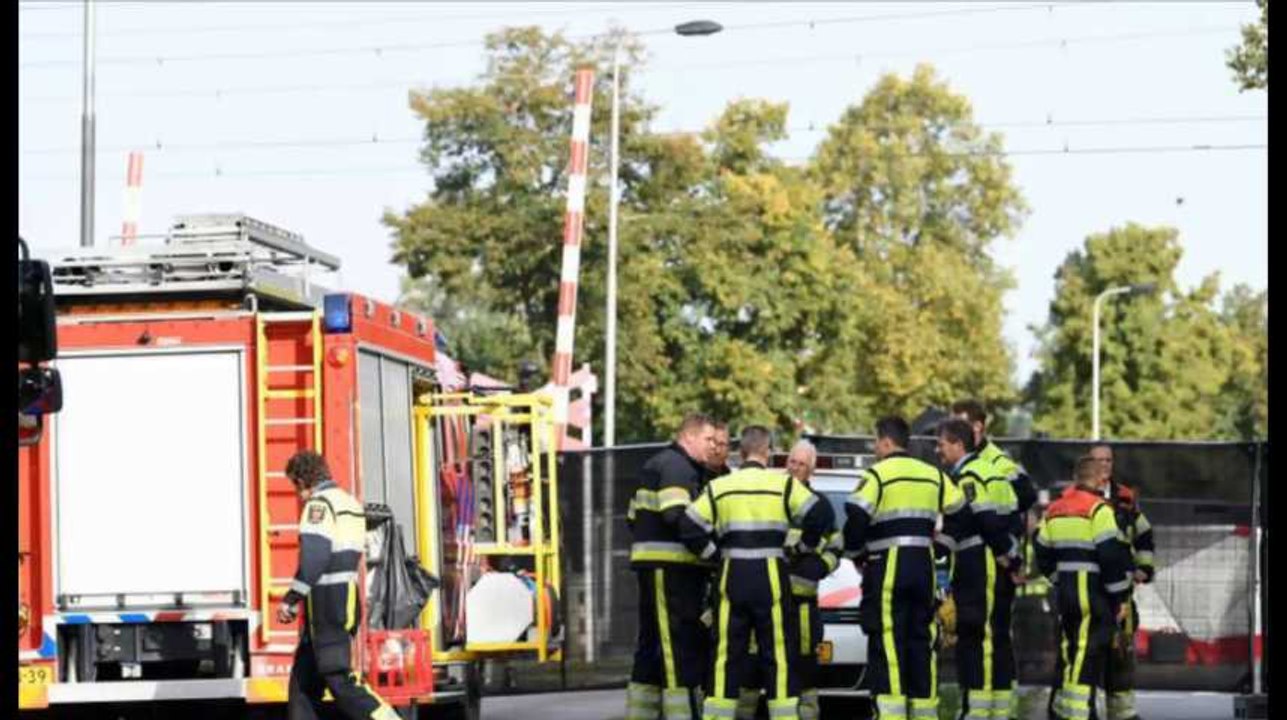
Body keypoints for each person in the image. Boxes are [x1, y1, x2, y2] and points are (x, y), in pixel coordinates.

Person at [678, 426, 833, 720]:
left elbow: (688, 526)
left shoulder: (721, 486)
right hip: (772, 578)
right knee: (778, 657)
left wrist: (714, 557)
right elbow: (820, 515)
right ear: (769, 452)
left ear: (740, 452)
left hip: (731, 577)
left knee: (726, 656)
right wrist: (800, 547)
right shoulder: (783, 485)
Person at [846, 416, 969, 720]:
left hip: (887, 567)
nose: (876, 447)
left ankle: (891, 714)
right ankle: (924, 712)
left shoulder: (877, 475)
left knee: (888, 641)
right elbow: (962, 514)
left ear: (886, 441)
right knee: (921, 641)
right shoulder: (934, 475)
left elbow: (856, 519)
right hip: (923, 568)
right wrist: (941, 547)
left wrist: (857, 554)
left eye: (877, 441)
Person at [278, 450, 399, 720]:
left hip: (327, 606)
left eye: (295, 487)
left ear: (302, 480)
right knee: (302, 688)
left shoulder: (319, 506)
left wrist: (291, 598)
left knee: (338, 678)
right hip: (342, 602)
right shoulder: (349, 502)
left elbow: (315, 558)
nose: (298, 496)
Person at [733, 440, 840, 720]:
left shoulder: (821, 508)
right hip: (764, 601)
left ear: (811, 470)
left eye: (801, 464)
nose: (794, 468)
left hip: (802, 607)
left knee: (803, 671)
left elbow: (836, 546)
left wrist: (819, 566)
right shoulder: (772, 497)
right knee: (752, 669)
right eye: (791, 461)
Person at [625, 413, 718, 720]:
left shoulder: (659, 464)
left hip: (658, 569)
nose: (713, 446)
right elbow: (675, 515)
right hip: (671, 571)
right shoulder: (677, 468)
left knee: (650, 649)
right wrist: (709, 550)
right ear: (688, 437)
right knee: (675, 648)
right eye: (708, 439)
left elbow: (632, 517)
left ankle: (642, 713)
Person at [1034, 457, 1134, 720]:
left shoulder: (1054, 509)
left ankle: (1065, 710)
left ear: (1075, 478)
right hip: (1092, 594)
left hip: (1065, 592)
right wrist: (1120, 597)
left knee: (1071, 650)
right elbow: (1111, 557)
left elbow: (1041, 550)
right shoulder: (1099, 510)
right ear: (1100, 480)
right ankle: (1078, 714)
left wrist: (1058, 577)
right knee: (1087, 654)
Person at [936, 419, 1021, 720]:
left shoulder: (969, 476)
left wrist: (1005, 556)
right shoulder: (994, 472)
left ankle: (976, 710)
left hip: (979, 563)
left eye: (942, 444)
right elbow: (1014, 516)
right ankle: (998, 710)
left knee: (976, 634)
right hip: (994, 564)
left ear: (959, 444)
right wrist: (1013, 558)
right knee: (997, 634)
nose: (939, 450)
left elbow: (984, 519)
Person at [1090, 445, 1154, 720]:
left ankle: (1123, 715)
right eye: (1098, 460)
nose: (1104, 465)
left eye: (1108, 460)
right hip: (1089, 589)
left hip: (1122, 591)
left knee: (1121, 655)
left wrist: (1145, 567)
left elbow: (1144, 534)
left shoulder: (1125, 498)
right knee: (1088, 655)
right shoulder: (1077, 497)